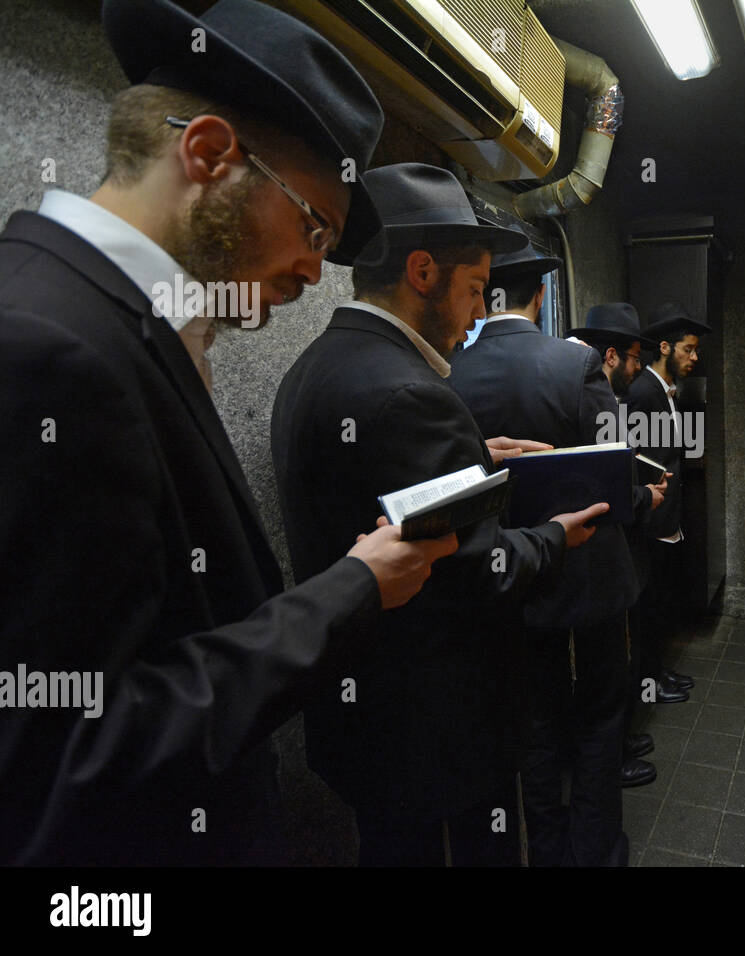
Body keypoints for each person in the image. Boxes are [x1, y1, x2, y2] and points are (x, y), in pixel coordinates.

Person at [0, 0, 456, 866]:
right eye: (313, 227)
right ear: (209, 155)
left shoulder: (136, 321)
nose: (315, 271)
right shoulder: (43, 348)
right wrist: (352, 589)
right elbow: (64, 753)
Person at [271, 163, 606, 866]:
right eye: (476, 290)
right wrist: (554, 536)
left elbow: (380, 501)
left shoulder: (314, 368)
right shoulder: (412, 394)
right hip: (438, 736)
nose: (479, 315)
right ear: (423, 271)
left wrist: (477, 462)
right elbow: (482, 572)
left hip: (362, 723)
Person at [450, 254, 656, 864]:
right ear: (541, 292)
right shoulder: (576, 362)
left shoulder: (454, 369)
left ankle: (544, 850)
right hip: (588, 572)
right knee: (598, 718)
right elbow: (612, 471)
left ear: (488, 295)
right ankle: (595, 852)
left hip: (509, 574)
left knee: (534, 724)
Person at [571, 303, 671, 788]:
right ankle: (607, 761)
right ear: (611, 355)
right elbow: (598, 486)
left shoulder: (604, 395)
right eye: (634, 358)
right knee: (607, 670)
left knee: (620, 661)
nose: (638, 368)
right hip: (595, 555)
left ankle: (620, 741)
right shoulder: (592, 398)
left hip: (614, 550)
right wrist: (643, 496)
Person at [625, 302, 713, 705]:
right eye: (688, 349)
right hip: (652, 516)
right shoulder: (643, 391)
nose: (694, 358)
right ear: (664, 347)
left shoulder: (666, 391)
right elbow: (637, 459)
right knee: (648, 606)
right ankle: (648, 682)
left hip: (668, 511)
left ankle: (657, 672)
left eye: (695, 351)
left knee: (660, 602)